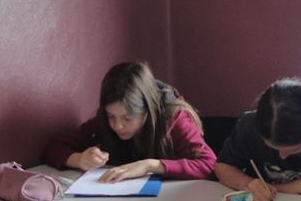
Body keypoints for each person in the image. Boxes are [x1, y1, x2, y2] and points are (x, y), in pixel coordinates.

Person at [43, 60, 216, 181]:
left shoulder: (175, 119)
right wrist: (79, 159)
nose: (117, 125)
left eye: (128, 118)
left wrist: (150, 165)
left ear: (147, 111)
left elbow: (209, 164)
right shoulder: (104, 122)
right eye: (111, 116)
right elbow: (54, 147)